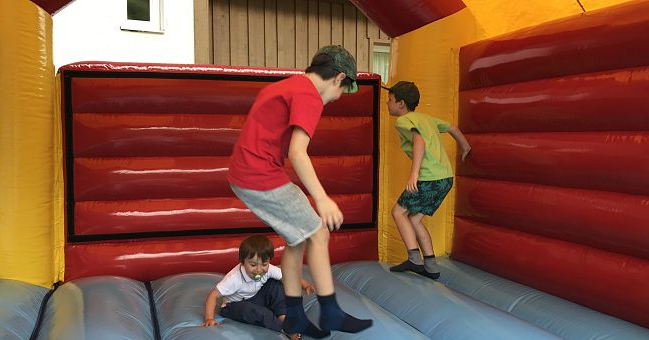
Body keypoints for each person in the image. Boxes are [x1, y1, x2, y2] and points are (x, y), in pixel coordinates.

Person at [227, 45, 373, 338]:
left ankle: (294, 317)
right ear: (338, 77)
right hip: (259, 174)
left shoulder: (288, 86)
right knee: (318, 232)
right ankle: (331, 312)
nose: (340, 96)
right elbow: (297, 152)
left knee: (298, 239)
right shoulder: (309, 95)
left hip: (249, 172)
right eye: (345, 88)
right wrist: (322, 199)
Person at [385, 81, 472, 280]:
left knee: (398, 212)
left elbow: (419, 141)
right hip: (445, 179)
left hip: (429, 177)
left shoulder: (404, 121)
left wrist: (414, 174)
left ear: (401, 104)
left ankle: (414, 259)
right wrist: (465, 147)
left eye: (390, 100)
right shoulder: (426, 118)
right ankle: (431, 266)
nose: (387, 104)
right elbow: (452, 128)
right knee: (414, 218)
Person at [201, 235, 314, 339]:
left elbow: (287, 276)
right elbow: (213, 295)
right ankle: (285, 328)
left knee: (276, 285)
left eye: (264, 264)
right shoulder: (234, 278)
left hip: (256, 297)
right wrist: (209, 318)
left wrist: (305, 285)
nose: (259, 270)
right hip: (235, 306)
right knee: (255, 311)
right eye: (253, 265)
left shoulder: (268, 269)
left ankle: (282, 315)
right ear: (242, 262)